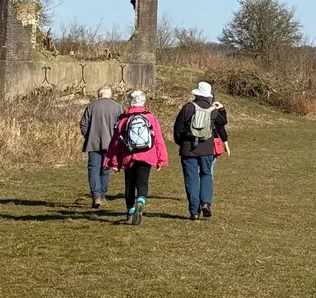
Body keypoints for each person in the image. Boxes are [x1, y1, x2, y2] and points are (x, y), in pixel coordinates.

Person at [104, 90, 169, 225]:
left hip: (128, 155)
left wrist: (114, 162)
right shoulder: (151, 118)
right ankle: (141, 200)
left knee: (129, 184)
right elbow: (158, 139)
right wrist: (161, 159)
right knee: (143, 182)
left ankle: (130, 210)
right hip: (147, 154)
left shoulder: (124, 118)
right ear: (143, 101)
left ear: (130, 101)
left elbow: (116, 142)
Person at [173, 81, 226, 221]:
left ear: (196, 94)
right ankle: (206, 203)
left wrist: (182, 143)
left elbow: (177, 130)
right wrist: (221, 109)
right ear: (209, 96)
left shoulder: (187, 108)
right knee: (206, 174)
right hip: (207, 149)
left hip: (188, 149)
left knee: (191, 179)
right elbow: (222, 122)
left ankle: (194, 211)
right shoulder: (212, 110)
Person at [79, 85, 123, 208]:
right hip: (110, 144)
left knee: (93, 169)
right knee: (105, 170)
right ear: (110, 94)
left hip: (93, 143)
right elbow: (121, 126)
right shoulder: (117, 107)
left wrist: (88, 136)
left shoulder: (91, 107)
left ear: (99, 94)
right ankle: (102, 195)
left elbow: (83, 124)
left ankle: (96, 195)